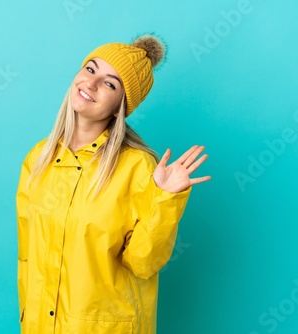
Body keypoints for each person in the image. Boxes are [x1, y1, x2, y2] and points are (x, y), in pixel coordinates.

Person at [16, 34, 211, 334]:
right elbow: (27, 256)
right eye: (91, 69)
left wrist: (165, 198)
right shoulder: (38, 159)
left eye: (110, 83)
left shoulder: (136, 166)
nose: (91, 84)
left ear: (121, 105)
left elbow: (143, 263)